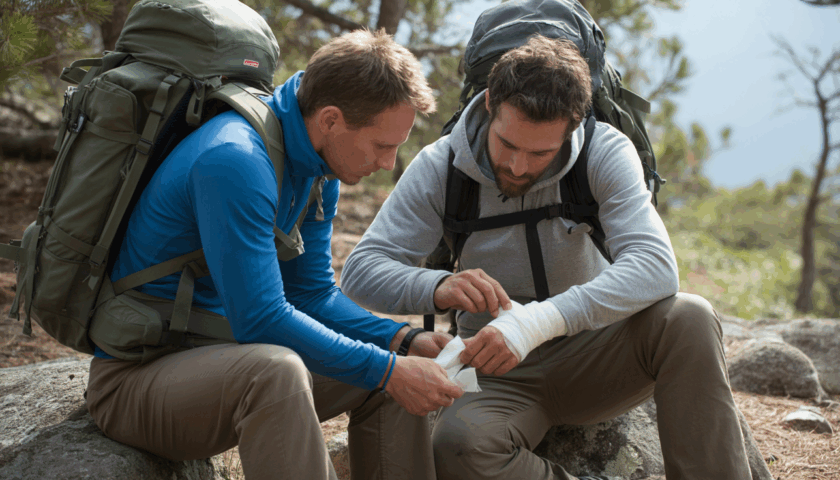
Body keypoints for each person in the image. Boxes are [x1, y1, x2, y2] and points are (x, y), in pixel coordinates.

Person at [341, 35, 752, 480]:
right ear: (489, 105)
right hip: (494, 368)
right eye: (507, 144)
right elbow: (362, 270)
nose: (518, 166)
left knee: (689, 317)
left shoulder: (604, 151)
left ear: (572, 127)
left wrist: (535, 322)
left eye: (539, 153)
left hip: (598, 349)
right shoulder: (441, 166)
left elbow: (655, 266)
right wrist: (437, 287)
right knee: (459, 447)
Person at [85, 29, 463, 480]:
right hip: (138, 381)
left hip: (224, 361)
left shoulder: (319, 168)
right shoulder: (236, 158)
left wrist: (401, 343)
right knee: (286, 372)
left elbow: (312, 294)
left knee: (392, 378)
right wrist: (385, 368)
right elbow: (260, 319)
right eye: (383, 146)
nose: (388, 163)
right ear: (330, 120)